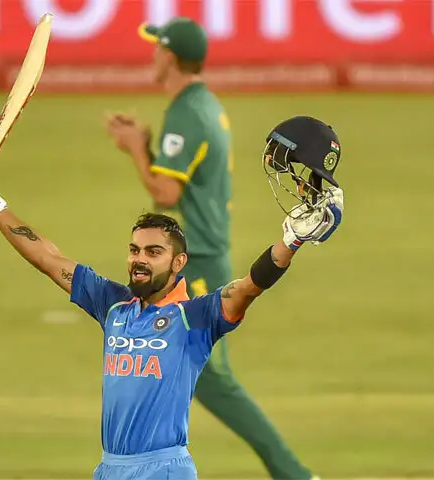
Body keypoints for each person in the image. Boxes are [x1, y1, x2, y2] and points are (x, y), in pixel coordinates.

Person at [0, 115, 344, 479]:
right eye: (135, 250)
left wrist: (291, 242)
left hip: (164, 469)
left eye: (154, 253)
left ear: (178, 263)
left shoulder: (196, 318)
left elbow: (249, 286)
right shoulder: (112, 304)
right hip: (109, 468)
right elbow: (50, 260)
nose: (139, 260)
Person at [105, 16, 325, 479]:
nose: (152, 55)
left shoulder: (186, 112)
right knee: (207, 378)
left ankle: (294, 473)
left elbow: (165, 192)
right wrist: (147, 146)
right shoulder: (204, 105)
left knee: (212, 381)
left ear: (169, 56)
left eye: (157, 48)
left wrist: (135, 148)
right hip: (204, 252)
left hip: (199, 260)